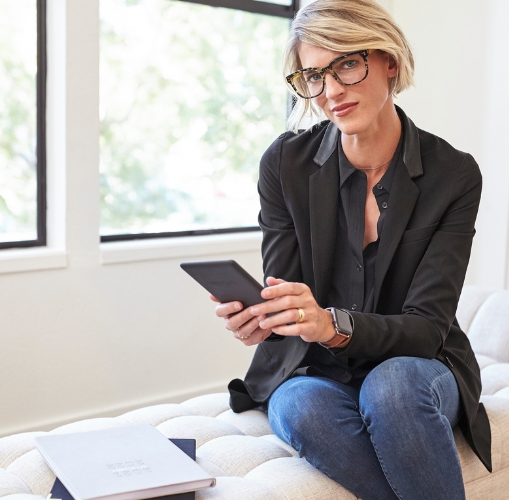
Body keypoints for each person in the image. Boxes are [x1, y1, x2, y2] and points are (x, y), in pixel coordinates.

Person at [211, 0, 492, 498]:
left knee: (393, 389)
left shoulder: (454, 174)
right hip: (317, 369)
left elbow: (427, 329)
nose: (331, 91)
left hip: (419, 366)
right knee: (299, 406)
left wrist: (331, 324)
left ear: (389, 60)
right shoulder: (285, 164)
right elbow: (287, 289)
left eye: (346, 63)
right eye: (313, 76)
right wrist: (267, 318)